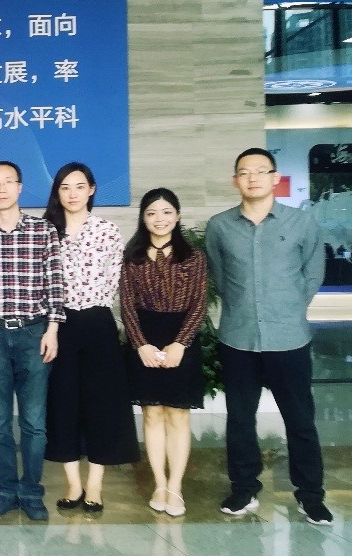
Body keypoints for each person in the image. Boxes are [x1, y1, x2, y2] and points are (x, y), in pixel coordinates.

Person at [206, 147, 332, 525]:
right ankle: (244, 488)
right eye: (245, 172)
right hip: (238, 338)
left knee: (300, 420)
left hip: (288, 338)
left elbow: (312, 273)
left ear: (275, 178)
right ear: (235, 181)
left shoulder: (301, 223)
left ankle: (310, 495)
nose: (253, 178)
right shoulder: (220, 226)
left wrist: (289, 309)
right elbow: (219, 276)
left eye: (261, 171)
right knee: (240, 420)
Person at [0, 161, 64, 521]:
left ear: (20, 187)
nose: (2, 188)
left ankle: (32, 491)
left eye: (8, 182)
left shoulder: (43, 231)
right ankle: (4, 490)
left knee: (34, 422)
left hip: (34, 333)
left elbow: (55, 281)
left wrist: (53, 329)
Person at [42, 163, 139, 513]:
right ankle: (73, 484)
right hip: (59, 324)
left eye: (79, 186)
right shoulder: (46, 231)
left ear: (92, 189)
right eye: (65, 187)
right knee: (63, 402)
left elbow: (115, 279)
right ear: (57, 192)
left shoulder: (107, 230)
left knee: (102, 403)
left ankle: (95, 485)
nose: (72, 194)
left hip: (98, 323)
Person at [120, 188, 206, 518]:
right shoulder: (132, 257)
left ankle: (175, 487)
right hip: (144, 338)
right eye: (152, 213)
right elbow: (127, 305)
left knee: (178, 415)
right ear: (143, 218)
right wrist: (140, 344)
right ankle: (159, 484)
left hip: (181, 340)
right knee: (152, 414)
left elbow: (199, 304)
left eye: (167, 212)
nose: (160, 219)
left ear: (178, 216)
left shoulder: (193, 257)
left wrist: (180, 343)